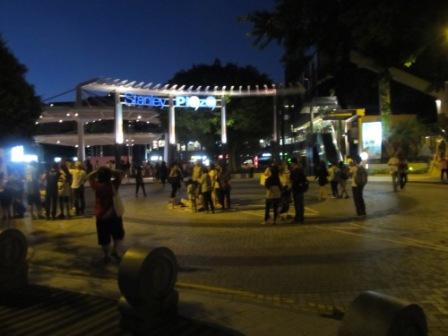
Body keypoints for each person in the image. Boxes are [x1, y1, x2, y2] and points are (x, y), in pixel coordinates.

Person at [88, 167, 124, 263]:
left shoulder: (97, 186)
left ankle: (106, 255)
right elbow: (119, 175)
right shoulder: (113, 185)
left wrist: (98, 170)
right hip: (114, 215)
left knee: (104, 237)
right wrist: (110, 170)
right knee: (117, 235)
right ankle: (115, 251)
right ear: (109, 176)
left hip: (101, 216)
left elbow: (90, 177)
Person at [290, 158, 308, 224]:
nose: (291, 164)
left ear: (293, 163)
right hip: (300, 188)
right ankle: (301, 217)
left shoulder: (296, 170)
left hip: (297, 189)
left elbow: (295, 179)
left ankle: (298, 217)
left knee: (297, 204)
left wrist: (291, 179)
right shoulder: (300, 169)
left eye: (291, 163)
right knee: (300, 203)